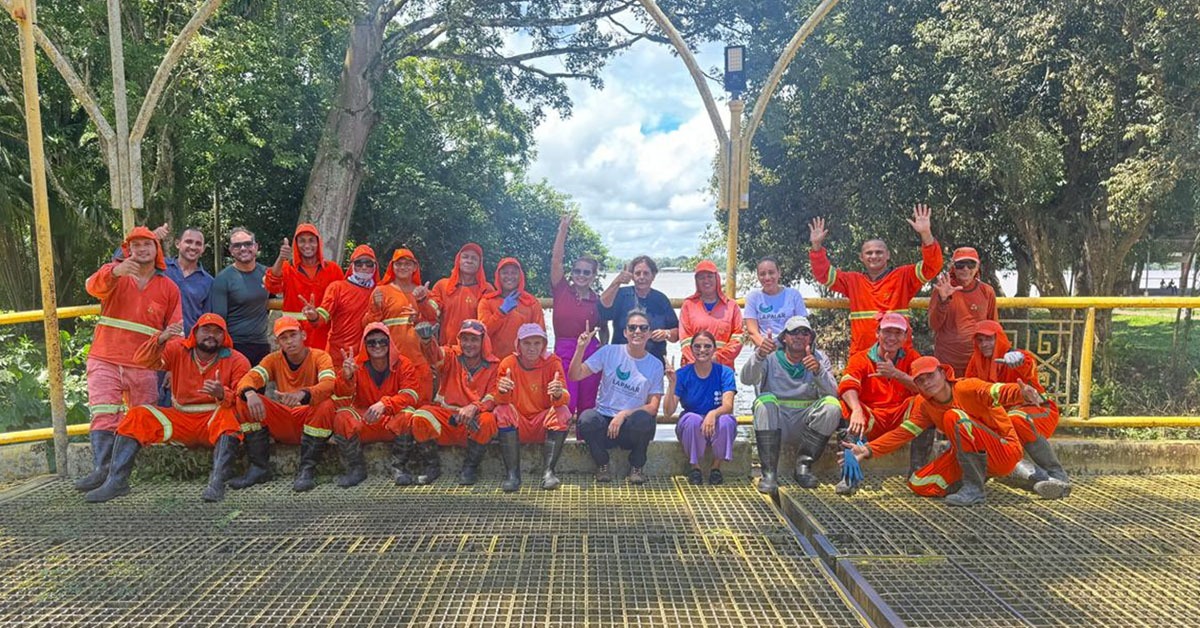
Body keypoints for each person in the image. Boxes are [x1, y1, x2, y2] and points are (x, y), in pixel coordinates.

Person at [841, 356, 1068, 505]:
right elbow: (903, 433)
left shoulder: (967, 387)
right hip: (967, 453)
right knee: (919, 483)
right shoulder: (925, 404)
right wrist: (868, 450)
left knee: (955, 417)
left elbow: (997, 391)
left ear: (943, 372)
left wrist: (1022, 393)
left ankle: (975, 489)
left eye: (930, 375)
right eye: (920, 380)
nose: (927, 382)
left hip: (1002, 448)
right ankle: (985, 477)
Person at [84, 314, 250, 503]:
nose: (211, 335)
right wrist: (160, 340)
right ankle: (116, 481)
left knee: (228, 418)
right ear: (195, 333)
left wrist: (222, 394)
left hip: (214, 418)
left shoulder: (237, 360)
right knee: (137, 415)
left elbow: (242, 398)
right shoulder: (177, 349)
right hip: (180, 418)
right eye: (206, 330)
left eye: (217, 332)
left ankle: (217, 483)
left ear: (225, 336)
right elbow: (143, 360)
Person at [76, 226, 183, 494]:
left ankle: (119, 477)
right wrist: (115, 271)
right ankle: (102, 471)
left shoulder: (168, 287)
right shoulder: (115, 274)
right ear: (128, 249)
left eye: (147, 244)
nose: (142, 249)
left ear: (156, 249)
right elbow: (92, 286)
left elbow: (176, 329)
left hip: (143, 363)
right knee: (103, 414)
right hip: (105, 357)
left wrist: (172, 367)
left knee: (140, 417)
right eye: (136, 245)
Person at [808, 204, 943, 353]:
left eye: (879, 252)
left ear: (888, 255)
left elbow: (933, 266)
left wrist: (926, 234)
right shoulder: (853, 280)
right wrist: (816, 246)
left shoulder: (903, 276)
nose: (874, 256)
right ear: (861, 257)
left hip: (898, 357)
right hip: (862, 356)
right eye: (869, 253)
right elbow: (823, 274)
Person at [230, 318, 337, 492]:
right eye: (283, 337)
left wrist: (303, 394)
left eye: (293, 335)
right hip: (283, 419)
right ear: (277, 342)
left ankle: (307, 470)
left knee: (326, 404)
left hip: (308, 418)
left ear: (303, 335)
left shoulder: (320, 356)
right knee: (243, 400)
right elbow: (249, 378)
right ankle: (259, 468)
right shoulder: (273, 359)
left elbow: (329, 384)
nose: (289, 341)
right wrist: (250, 393)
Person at [965, 321, 1069, 495]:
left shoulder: (1015, 356)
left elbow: (1027, 363)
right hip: (999, 419)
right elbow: (970, 391)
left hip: (1037, 411)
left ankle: (1056, 473)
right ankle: (1044, 481)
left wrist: (1018, 360)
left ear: (1000, 338)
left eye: (989, 339)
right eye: (980, 340)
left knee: (1015, 419)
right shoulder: (975, 363)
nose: (984, 344)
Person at [741, 317, 840, 493]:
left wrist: (818, 371)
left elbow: (833, 392)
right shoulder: (769, 356)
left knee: (832, 406)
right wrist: (759, 355)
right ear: (784, 337)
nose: (799, 336)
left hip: (805, 424)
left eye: (805, 333)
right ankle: (769, 474)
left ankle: (803, 466)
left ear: (810, 338)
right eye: (794, 332)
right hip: (776, 422)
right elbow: (746, 379)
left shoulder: (819, 358)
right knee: (765, 401)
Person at [570, 309, 663, 484]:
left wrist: (623, 414)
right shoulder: (609, 352)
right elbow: (575, 375)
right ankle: (602, 463)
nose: (638, 332)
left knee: (645, 419)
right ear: (625, 332)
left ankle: (637, 466)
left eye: (643, 328)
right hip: (605, 422)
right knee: (587, 419)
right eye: (632, 327)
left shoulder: (655, 365)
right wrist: (580, 348)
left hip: (629, 425)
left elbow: (653, 406)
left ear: (649, 333)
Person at [329, 323, 422, 488]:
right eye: (371, 342)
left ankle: (399, 467)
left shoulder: (404, 363)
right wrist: (346, 376)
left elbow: (411, 395)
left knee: (409, 415)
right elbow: (341, 393)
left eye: (382, 341)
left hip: (391, 422)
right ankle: (356, 469)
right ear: (365, 344)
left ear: (389, 342)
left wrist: (384, 404)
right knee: (342, 417)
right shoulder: (354, 364)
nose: (377, 346)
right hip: (366, 420)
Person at [410, 319, 501, 486]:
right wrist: (427, 341)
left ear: (483, 341)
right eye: (465, 339)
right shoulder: (451, 355)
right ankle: (432, 466)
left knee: (488, 421)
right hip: (447, 418)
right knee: (420, 417)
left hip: (473, 421)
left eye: (474, 339)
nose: (469, 344)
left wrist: (474, 407)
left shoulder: (494, 365)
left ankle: (470, 467)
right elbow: (435, 355)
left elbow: (493, 396)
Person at [837, 313, 923, 485]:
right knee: (847, 407)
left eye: (898, 333)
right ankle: (848, 475)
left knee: (928, 404)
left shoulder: (912, 357)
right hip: (872, 419)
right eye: (887, 332)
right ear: (877, 333)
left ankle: (918, 470)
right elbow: (847, 385)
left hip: (901, 417)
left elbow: (927, 387)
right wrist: (856, 409)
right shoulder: (861, 358)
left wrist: (896, 374)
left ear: (905, 337)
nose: (892, 338)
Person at [493, 323, 571, 491]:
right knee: (502, 411)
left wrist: (557, 394)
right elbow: (499, 400)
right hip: (518, 422)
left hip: (541, 423)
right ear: (518, 345)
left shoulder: (553, 362)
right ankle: (513, 474)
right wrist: (502, 390)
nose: (532, 348)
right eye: (527, 343)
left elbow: (564, 398)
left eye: (537, 343)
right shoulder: (508, 363)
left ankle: (548, 472)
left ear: (544, 344)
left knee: (563, 412)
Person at [365, 249, 439, 402]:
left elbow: (434, 321)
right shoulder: (381, 291)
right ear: (392, 267)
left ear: (414, 267)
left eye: (407, 264)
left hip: (420, 362)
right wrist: (376, 309)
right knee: (392, 409)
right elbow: (367, 328)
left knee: (421, 410)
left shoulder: (424, 292)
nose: (403, 267)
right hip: (391, 364)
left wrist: (421, 306)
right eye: (398, 264)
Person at [663, 331, 737, 485]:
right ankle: (695, 467)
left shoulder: (725, 373)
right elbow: (668, 411)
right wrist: (671, 384)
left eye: (707, 346)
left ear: (715, 349)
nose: (702, 350)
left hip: (716, 418)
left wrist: (712, 413)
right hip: (692, 421)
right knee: (693, 419)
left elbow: (728, 406)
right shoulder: (682, 374)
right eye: (697, 346)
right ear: (691, 349)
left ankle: (716, 468)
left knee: (727, 420)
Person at [549, 214, 604, 416]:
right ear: (572, 272)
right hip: (564, 350)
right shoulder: (561, 289)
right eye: (577, 271)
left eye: (586, 272)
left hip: (590, 352)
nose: (581, 275)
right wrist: (562, 230)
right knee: (565, 402)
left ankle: (584, 445)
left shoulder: (597, 300)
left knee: (587, 404)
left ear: (593, 276)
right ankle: (560, 445)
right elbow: (556, 261)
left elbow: (604, 328)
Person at [264, 224, 344, 351]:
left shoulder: (333, 270)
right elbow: (272, 286)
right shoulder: (286, 268)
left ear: (318, 243)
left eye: (311, 240)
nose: (307, 245)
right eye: (302, 241)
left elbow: (342, 302)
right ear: (296, 244)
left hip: (324, 334)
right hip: (293, 334)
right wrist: (281, 258)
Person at [928, 247, 997, 376]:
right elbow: (934, 325)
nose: (966, 269)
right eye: (960, 265)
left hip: (977, 360)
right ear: (953, 267)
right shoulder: (942, 289)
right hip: (947, 360)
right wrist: (943, 300)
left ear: (977, 267)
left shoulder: (987, 291)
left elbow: (994, 328)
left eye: (971, 264)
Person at [210, 227, 272, 366]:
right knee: (237, 388)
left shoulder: (267, 274)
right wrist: (222, 350)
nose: (243, 248)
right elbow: (219, 320)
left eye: (248, 244)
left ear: (255, 247)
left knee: (258, 387)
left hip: (261, 344)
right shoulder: (223, 279)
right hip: (235, 346)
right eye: (237, 246)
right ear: (231, 251)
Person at [599, 255, 679, 362]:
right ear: (632, 276)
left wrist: (666, 333)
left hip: (653, 361)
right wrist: (616, 282)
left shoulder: (661, 299)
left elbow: (677, 333)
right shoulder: (621, 295)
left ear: (653, 276)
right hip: (621, 360)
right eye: (637, 273)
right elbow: (602, 306)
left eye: (646, 273)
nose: (642, 277)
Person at [310, 245, 378, 354]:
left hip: (368, 358)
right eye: (359, 263)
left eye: (368, 263)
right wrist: (314, 316)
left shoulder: (379, 291)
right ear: (352, 266)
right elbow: (322, 317)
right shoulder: (337, 288)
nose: (364, 267)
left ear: (375, 266)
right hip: (338, 354)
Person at [679, 260, 744, 368]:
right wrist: (699, 363)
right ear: (696, 281)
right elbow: (685, 340)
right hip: (692, 368)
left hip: (722, 368)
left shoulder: (731, 306)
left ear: (717, 278)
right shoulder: (688, 305)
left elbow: (738, 339)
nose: (706, 280)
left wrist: (717, 358)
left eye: (710, 276)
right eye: (701, 278)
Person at [478, 257, 546, 356]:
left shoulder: (532, 302)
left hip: (523, 364)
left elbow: (541, 337)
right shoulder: (486, 301)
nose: (509, 276)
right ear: (498, 276)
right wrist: (501, 312)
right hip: (493, 362)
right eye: (505, 272)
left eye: (514, 273)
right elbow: (482, 334)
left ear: (520, 276)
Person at [430, 242, 493, 346]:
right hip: (447, 350)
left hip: (474, 353)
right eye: (465, 257)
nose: (469, 261)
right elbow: (431, 314)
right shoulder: (442, 285)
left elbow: (490, 324)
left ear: (479, 264)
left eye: (474, 258)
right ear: (458, 261)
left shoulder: (487, 289)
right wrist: (422, 301)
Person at [744, 256, 809, 349]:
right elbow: (752, 332)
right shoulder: (753, 297)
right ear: (758, 276)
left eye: (771, 273)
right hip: (764, 348)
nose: (767, 277)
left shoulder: (793, 295)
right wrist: (767, 346)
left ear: (779, 273)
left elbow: (803, 326)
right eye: (762, 274)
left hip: (792, 348)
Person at [165, 227, 213, 335]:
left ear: (203, 249)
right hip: (157, 340)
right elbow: (125, 256)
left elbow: (205, 318)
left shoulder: (208, 282)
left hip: (188, 343)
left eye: (198, 244)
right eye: (188, 241)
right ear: (177, 243)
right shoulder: (161, 268)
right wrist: (153, 236)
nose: (193, 247)